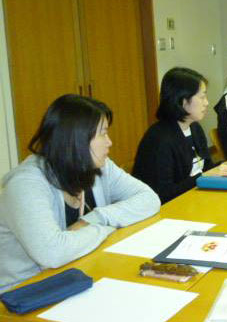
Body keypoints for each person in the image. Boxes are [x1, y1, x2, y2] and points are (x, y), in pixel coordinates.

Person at [0, 95, 160, 292]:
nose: (109, 142)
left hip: (77, 273)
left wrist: (95, 219)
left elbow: (150, 199)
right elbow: (53, 252)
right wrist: (106, 229)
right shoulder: (26, 184)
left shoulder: (99, 166)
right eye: (102, 134)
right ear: (76, 138)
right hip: (24, 296)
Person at [132, 67, 227, 204]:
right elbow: (163, 194)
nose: (207, 102)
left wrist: (222, 165)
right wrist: (203, 177)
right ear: (183, 101)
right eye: (202, 97)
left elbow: (205, 167)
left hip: (197, 200)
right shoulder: (159, 139)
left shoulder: (194, 127)